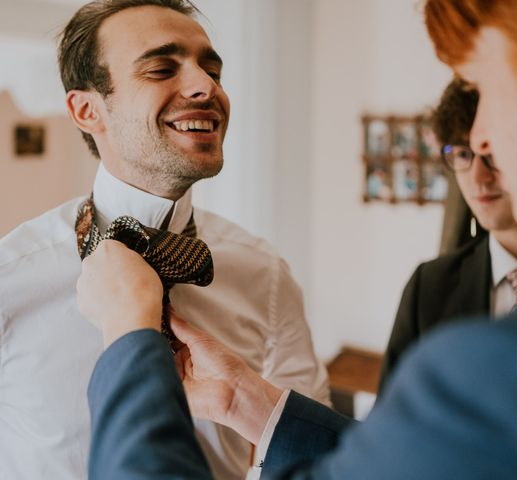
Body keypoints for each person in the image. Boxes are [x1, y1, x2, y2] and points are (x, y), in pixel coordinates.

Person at [77, 0, 517, 478]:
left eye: (480, 84)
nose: (483, 139)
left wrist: (129, 335)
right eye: (159, 69)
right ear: (86, 108)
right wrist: (244, 400)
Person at [0, 1, 329, 478]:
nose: (206, 86)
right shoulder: (11, 279)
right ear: (88, 109)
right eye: (160, 68)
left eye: (211, 68)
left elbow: (320, 463)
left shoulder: (266, 275)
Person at [379, 79, 517, 389]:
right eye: (462, 154)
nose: (477, 177)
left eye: (493, 152)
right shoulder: (429, 287)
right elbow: (391, 427)